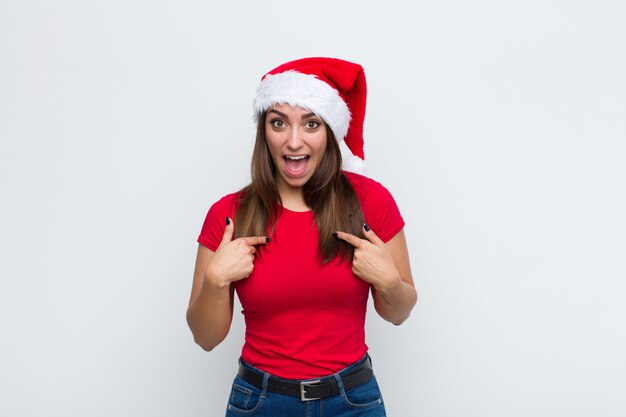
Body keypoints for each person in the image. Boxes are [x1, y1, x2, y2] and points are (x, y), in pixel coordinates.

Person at [186, 57, 417, 417]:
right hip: (260, 402)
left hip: (352, 401)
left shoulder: (371, 201)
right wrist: (215, 280)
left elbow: (399, 313)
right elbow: (205, 338)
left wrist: (389, 281)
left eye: (310, 124)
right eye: (279, 123)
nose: (294, 142)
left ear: (328, 131)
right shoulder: (229, 214)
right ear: (264, 131)